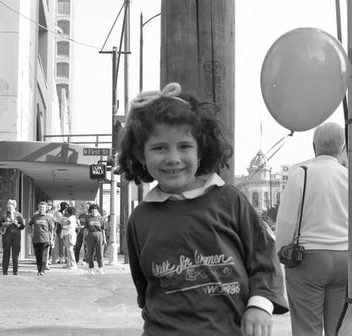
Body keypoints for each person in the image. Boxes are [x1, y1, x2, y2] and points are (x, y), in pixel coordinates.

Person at [118, 83, 288, 335]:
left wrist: (259, 306)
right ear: (141, 155)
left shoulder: (230, 201)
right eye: (159, 147)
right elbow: (144, 288)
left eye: (184, 146)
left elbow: (264, 257)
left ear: (201, 151)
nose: (173, 158)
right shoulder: (140, 219)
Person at [275, 122, 349, 336]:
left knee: (307, 328)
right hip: (344, 260)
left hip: (308, 260)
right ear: (341, 147)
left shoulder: (302, 174)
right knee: (338, 328)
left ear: (314, 146)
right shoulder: (348, 176)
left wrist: (281, 251)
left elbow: (287, 221)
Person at [0, 199, 25, 275]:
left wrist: (17, 224)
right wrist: (4, 224)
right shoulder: (4, 214)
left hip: (16, 235)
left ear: (14, 206)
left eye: (11, 205)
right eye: (8, 204)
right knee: (6, 253)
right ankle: (5, 271)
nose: (9, 206)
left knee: (15, 254)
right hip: (7, 235)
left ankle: (15, 271)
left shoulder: (18, 215)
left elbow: (22, 226)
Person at [28, 201, 55, 275]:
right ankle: (39, 269)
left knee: (44, 255)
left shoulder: (49, 218)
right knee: (38, 255)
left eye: (43, 208)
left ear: (46, 209)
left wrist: (51, 239)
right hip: (36, 239)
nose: (41, 209)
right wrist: (30, 233)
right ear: (38, 208)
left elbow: (51, 229)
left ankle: (42, 270)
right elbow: (29, 224)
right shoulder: (35, 217)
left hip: (45, 239)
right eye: (40, 207)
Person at [84, 203, 106, 275]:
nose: (94, 210)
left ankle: (100, 268)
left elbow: (103, 229)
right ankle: (91, 268)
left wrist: (104, 239)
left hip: (99, 235)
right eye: (93, 209)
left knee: (99, 253)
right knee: (90, 252)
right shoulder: (88, 218)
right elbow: (85, 229)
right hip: (90, 235)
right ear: (90, 210)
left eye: (95, 209)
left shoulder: (101, 218)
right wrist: (84, 238)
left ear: (97, 210)